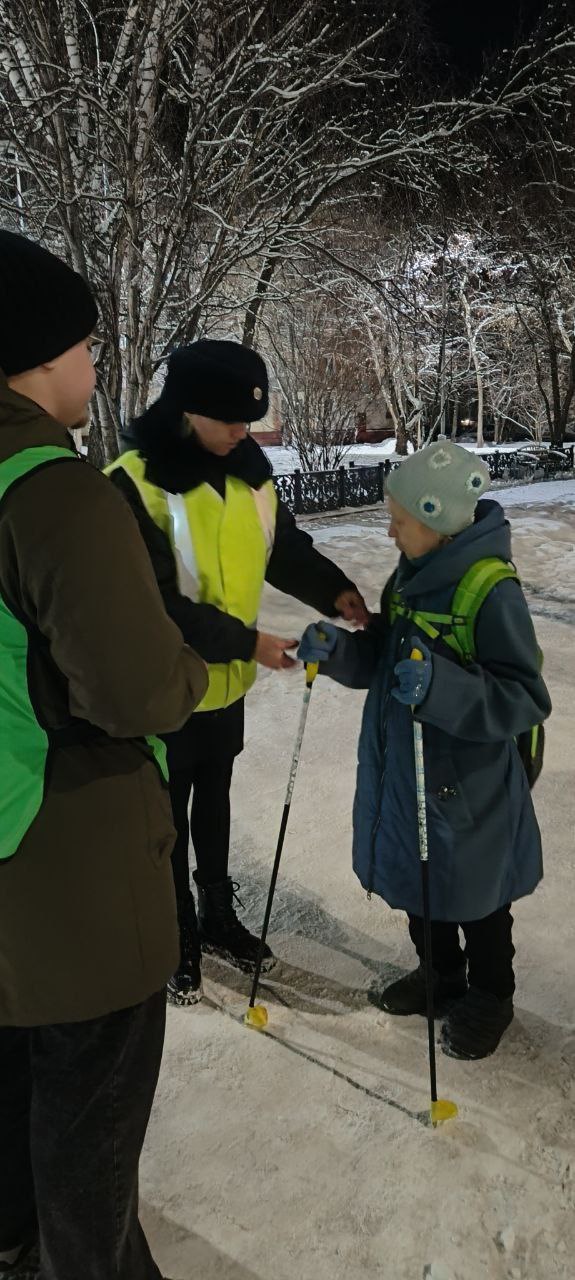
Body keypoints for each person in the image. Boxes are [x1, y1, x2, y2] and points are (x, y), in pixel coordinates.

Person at [0, 230, 208, 1280]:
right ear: (30, 357)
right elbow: (132, 688)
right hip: (71, 885)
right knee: (85, 1146)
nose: (95, 365)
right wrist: (189, 671)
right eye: (84, 343)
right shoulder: (53, 492)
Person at [106, 339, 368, 1005]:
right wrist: (247, 642)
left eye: (248, 420)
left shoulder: (250, 471)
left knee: (214, 796)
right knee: (166, 814)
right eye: (228, 420)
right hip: (162, 686)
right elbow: (152, 602)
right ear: (186, 409)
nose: (241, 432)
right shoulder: (132, 481)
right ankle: (176, 934)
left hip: (224, 686)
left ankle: (217, 914)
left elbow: (281, 548)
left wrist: (333, 590)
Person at [298, 441, 551, 1060]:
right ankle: (441, 976)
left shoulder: (490, 590)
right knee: (421, 877)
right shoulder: (411, 576)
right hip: (405, 765)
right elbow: (389, 662)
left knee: (477, 894)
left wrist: (441, 687)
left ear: (436, 522)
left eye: (399, 521)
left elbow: (523, 696)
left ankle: (491, 992)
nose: (389, 531)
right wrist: (343, 653)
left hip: (470, 781)